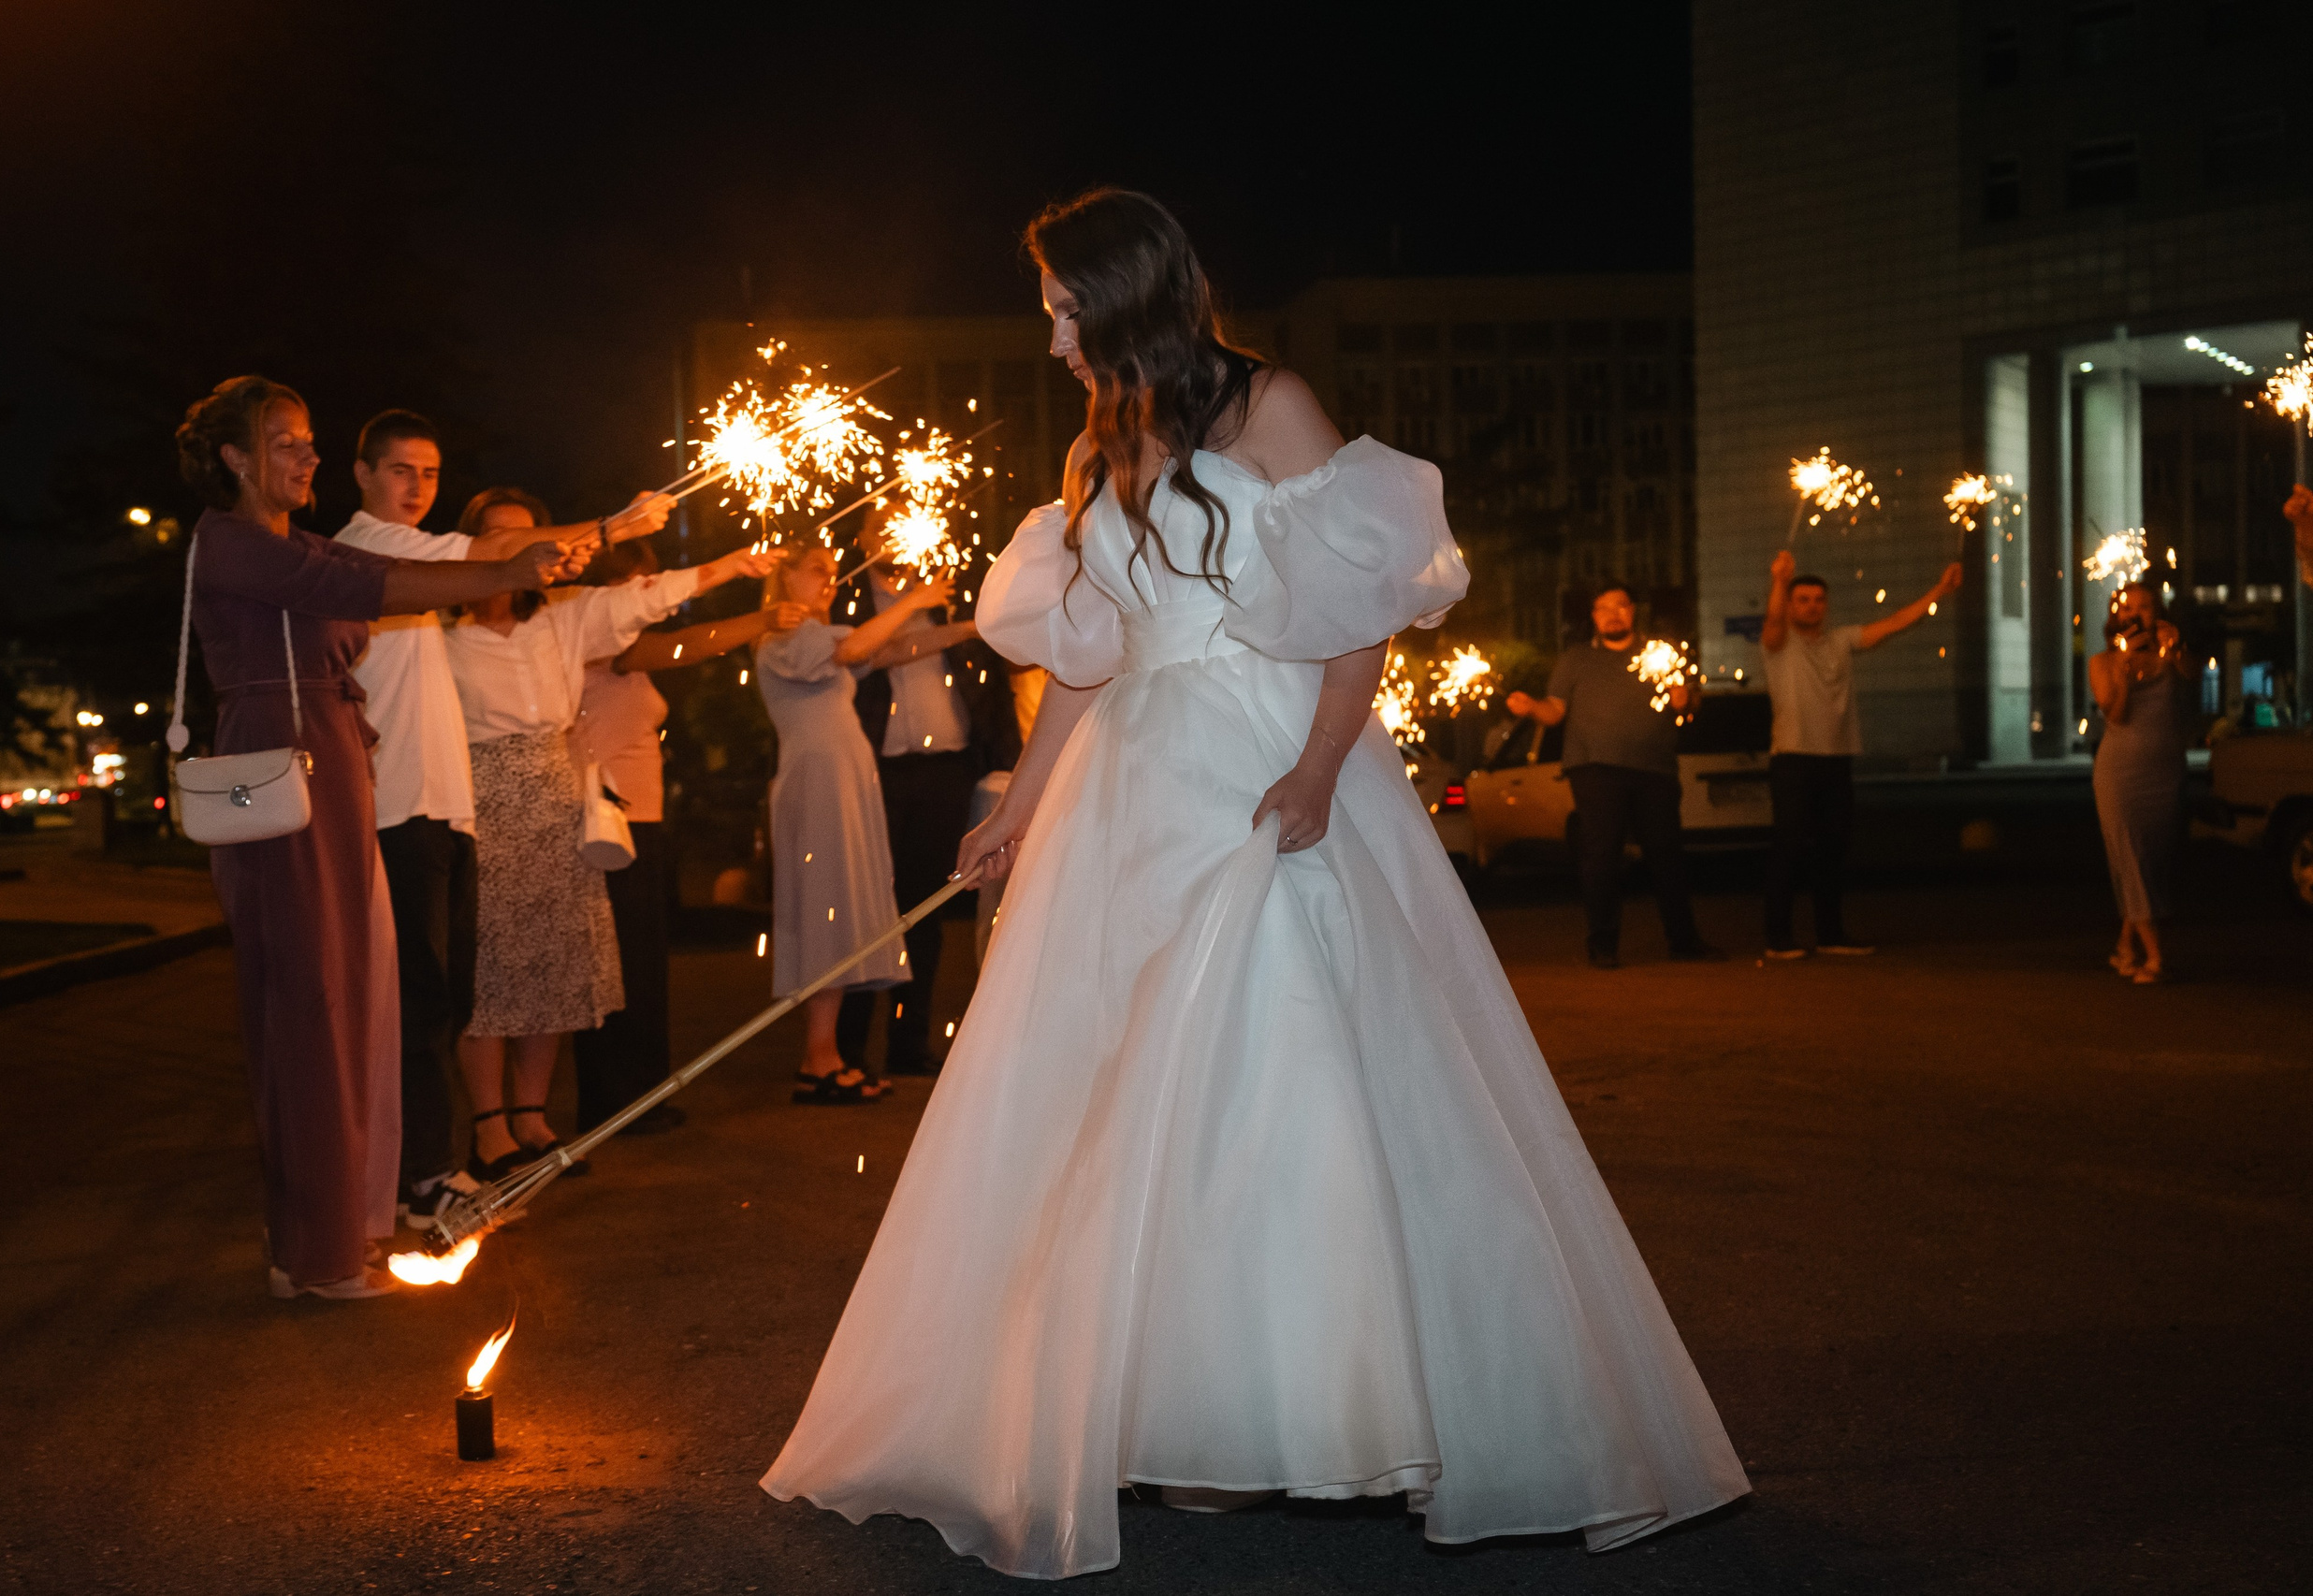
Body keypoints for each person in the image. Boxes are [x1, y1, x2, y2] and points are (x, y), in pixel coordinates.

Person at [762, 189, 1748, 1577]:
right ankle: (1166, 1405)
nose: (1047, 338)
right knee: (1110, 1092)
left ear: (1122, 295)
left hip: (1267, 766)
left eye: (1058, 306)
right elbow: (1085, 661)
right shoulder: (1089, 451)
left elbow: (1364, 608)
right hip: (1132, 791)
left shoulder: (1270, 406)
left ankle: (1305, 1401)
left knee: (1277, 1065)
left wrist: (1321, 770)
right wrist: (1022, 813)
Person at [172, 377, 573, 1299]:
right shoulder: (228, 539)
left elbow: (369, 585)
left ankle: (342, 1229)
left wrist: (528, 558)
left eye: (309, 441)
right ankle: (317, 1252)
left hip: (336, 761)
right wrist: (503, 571)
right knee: (310, 1000)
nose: (308, 457)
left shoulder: (290, 540)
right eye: (287, 443)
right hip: (282, 770)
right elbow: (371, 582)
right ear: (235, 458)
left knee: (358, 996)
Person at [332, 408, 674, 1225]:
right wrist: (612, 523)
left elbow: (508, 568)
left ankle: (428, 1170)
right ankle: (423, 1181)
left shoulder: (424, 560)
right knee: (420, 1002)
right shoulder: (372, 548)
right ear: (364, 475)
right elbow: (489, 558)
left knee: (442, 995)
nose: (415, 487)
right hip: (397, 805)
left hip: (444, 808)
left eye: (430, 473)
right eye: (400, 471)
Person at [442, 488, 778, 1177]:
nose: (518, 555)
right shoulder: (436, 632)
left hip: (556, 794)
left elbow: (644, 601)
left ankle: (533, 1119)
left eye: (530, 539)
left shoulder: (565, 617)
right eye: (499, 542)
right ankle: (488, 1126)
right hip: (481, 800)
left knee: (554, 965)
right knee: (491, 973)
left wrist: (724, 568)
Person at [569, 540, 807, 1135]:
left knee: (644, 960)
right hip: (606, 819)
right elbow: (681, 647)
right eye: (641, 586)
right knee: (618, 962)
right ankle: (614, 1099)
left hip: (639, 816)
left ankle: (640, 1093)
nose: (653, 599)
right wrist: (760, 618)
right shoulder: (605, 641)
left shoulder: (625, 649)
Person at [753, 544, 966, 1103]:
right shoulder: (783, 638)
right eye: (815, 572)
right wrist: (914, 598)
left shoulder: (824, 636)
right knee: (827, 903)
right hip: (816, 786)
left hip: (844, 784)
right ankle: (816, 1057)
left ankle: (827, 1054)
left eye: (830, 571)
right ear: (783, 578)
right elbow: (859, 649)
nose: (828, 581)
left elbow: (897, 648)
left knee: (846, 905)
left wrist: (969, 627)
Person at [833, 511, 1022, 1077]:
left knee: (927, 907)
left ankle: (909, 1042)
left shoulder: (951, 587)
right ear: (863, 539)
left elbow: (1005, 658)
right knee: (869, 905)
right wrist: (922, 608)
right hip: (877, 769)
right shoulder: (848, 601)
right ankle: (846, 1049)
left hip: (947, 768)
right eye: (881, 528)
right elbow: (873, 655)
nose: (893, 537)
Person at [1757, 547, 1961, 958]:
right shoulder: (1779, 646)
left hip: (1836, 758)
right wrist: (1779, 581)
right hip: (1793, 758)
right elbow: (1775, 620)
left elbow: (1895, 623)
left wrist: (1939, 590)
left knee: (1833, 848)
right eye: (1803, 599)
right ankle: (1778, 937)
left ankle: (1830, 935)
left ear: (1826, 605)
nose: (1812, 607)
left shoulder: (1841, 640)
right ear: (1792, 604)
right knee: (1790, 848)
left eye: (1818, 600)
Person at [1507, 583, 1722, 968]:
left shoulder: (1660, 654)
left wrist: (1684, 700)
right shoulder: (1575, 660)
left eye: (1620, 606)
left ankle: (1684, 941)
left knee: (1667, 856)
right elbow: (1555, 712)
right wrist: (1530, 708)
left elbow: (1688, 706)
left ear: (1632, 611)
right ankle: (1603, 946)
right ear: (1594, 617)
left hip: (1654, 768)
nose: (1612, 614)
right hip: (1595, 769)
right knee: (1601, 858)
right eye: (1603, 608)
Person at [2087, 583, 2199, 983]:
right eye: (2128, 608)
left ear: (2158, 612)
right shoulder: (2103, 662)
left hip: (2165, 772)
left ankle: (2123, 946)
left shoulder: (2170, 655)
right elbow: (2116, 715)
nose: (2136, 614)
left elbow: (2193, 678)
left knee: (2150, 862)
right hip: (2120, 778)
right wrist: (2124, 669)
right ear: (2117, 616)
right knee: (2131, 860)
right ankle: (2154, 957)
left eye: (2146, 607)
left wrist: (2179, 647)